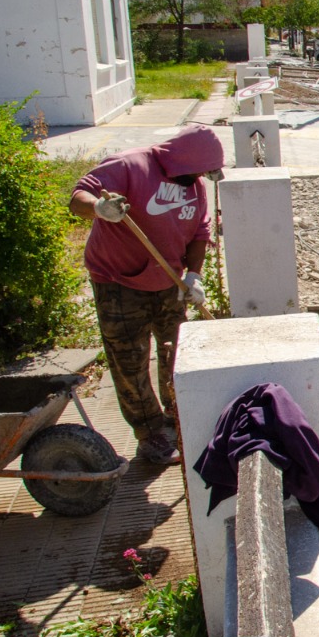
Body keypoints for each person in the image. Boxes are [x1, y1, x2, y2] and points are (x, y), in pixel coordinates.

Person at [69, 125, 225, 465]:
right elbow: (78, 196)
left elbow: (199, 231)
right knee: (129, 358)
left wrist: (194, 276)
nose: (201, 177)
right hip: (118, 282)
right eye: (199, 170)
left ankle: (176, 413)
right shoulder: (128, 166)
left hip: (169, 282)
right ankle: (149, 432)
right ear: (181, 161)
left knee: (177, 350)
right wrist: (98, 208)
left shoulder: (195, 186)